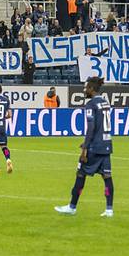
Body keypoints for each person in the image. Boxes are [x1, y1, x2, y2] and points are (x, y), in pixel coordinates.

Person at [55, 77, 114, 217]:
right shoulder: (105, 102)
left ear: (92, 89)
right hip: (106, 144)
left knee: (80, 174)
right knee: (107, 176)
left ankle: (72, 207)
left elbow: (91, 127)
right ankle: (109, 209)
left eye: (86, 88)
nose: (84, 90)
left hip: (94, 146)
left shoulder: (91, 104)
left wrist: (85, 149)